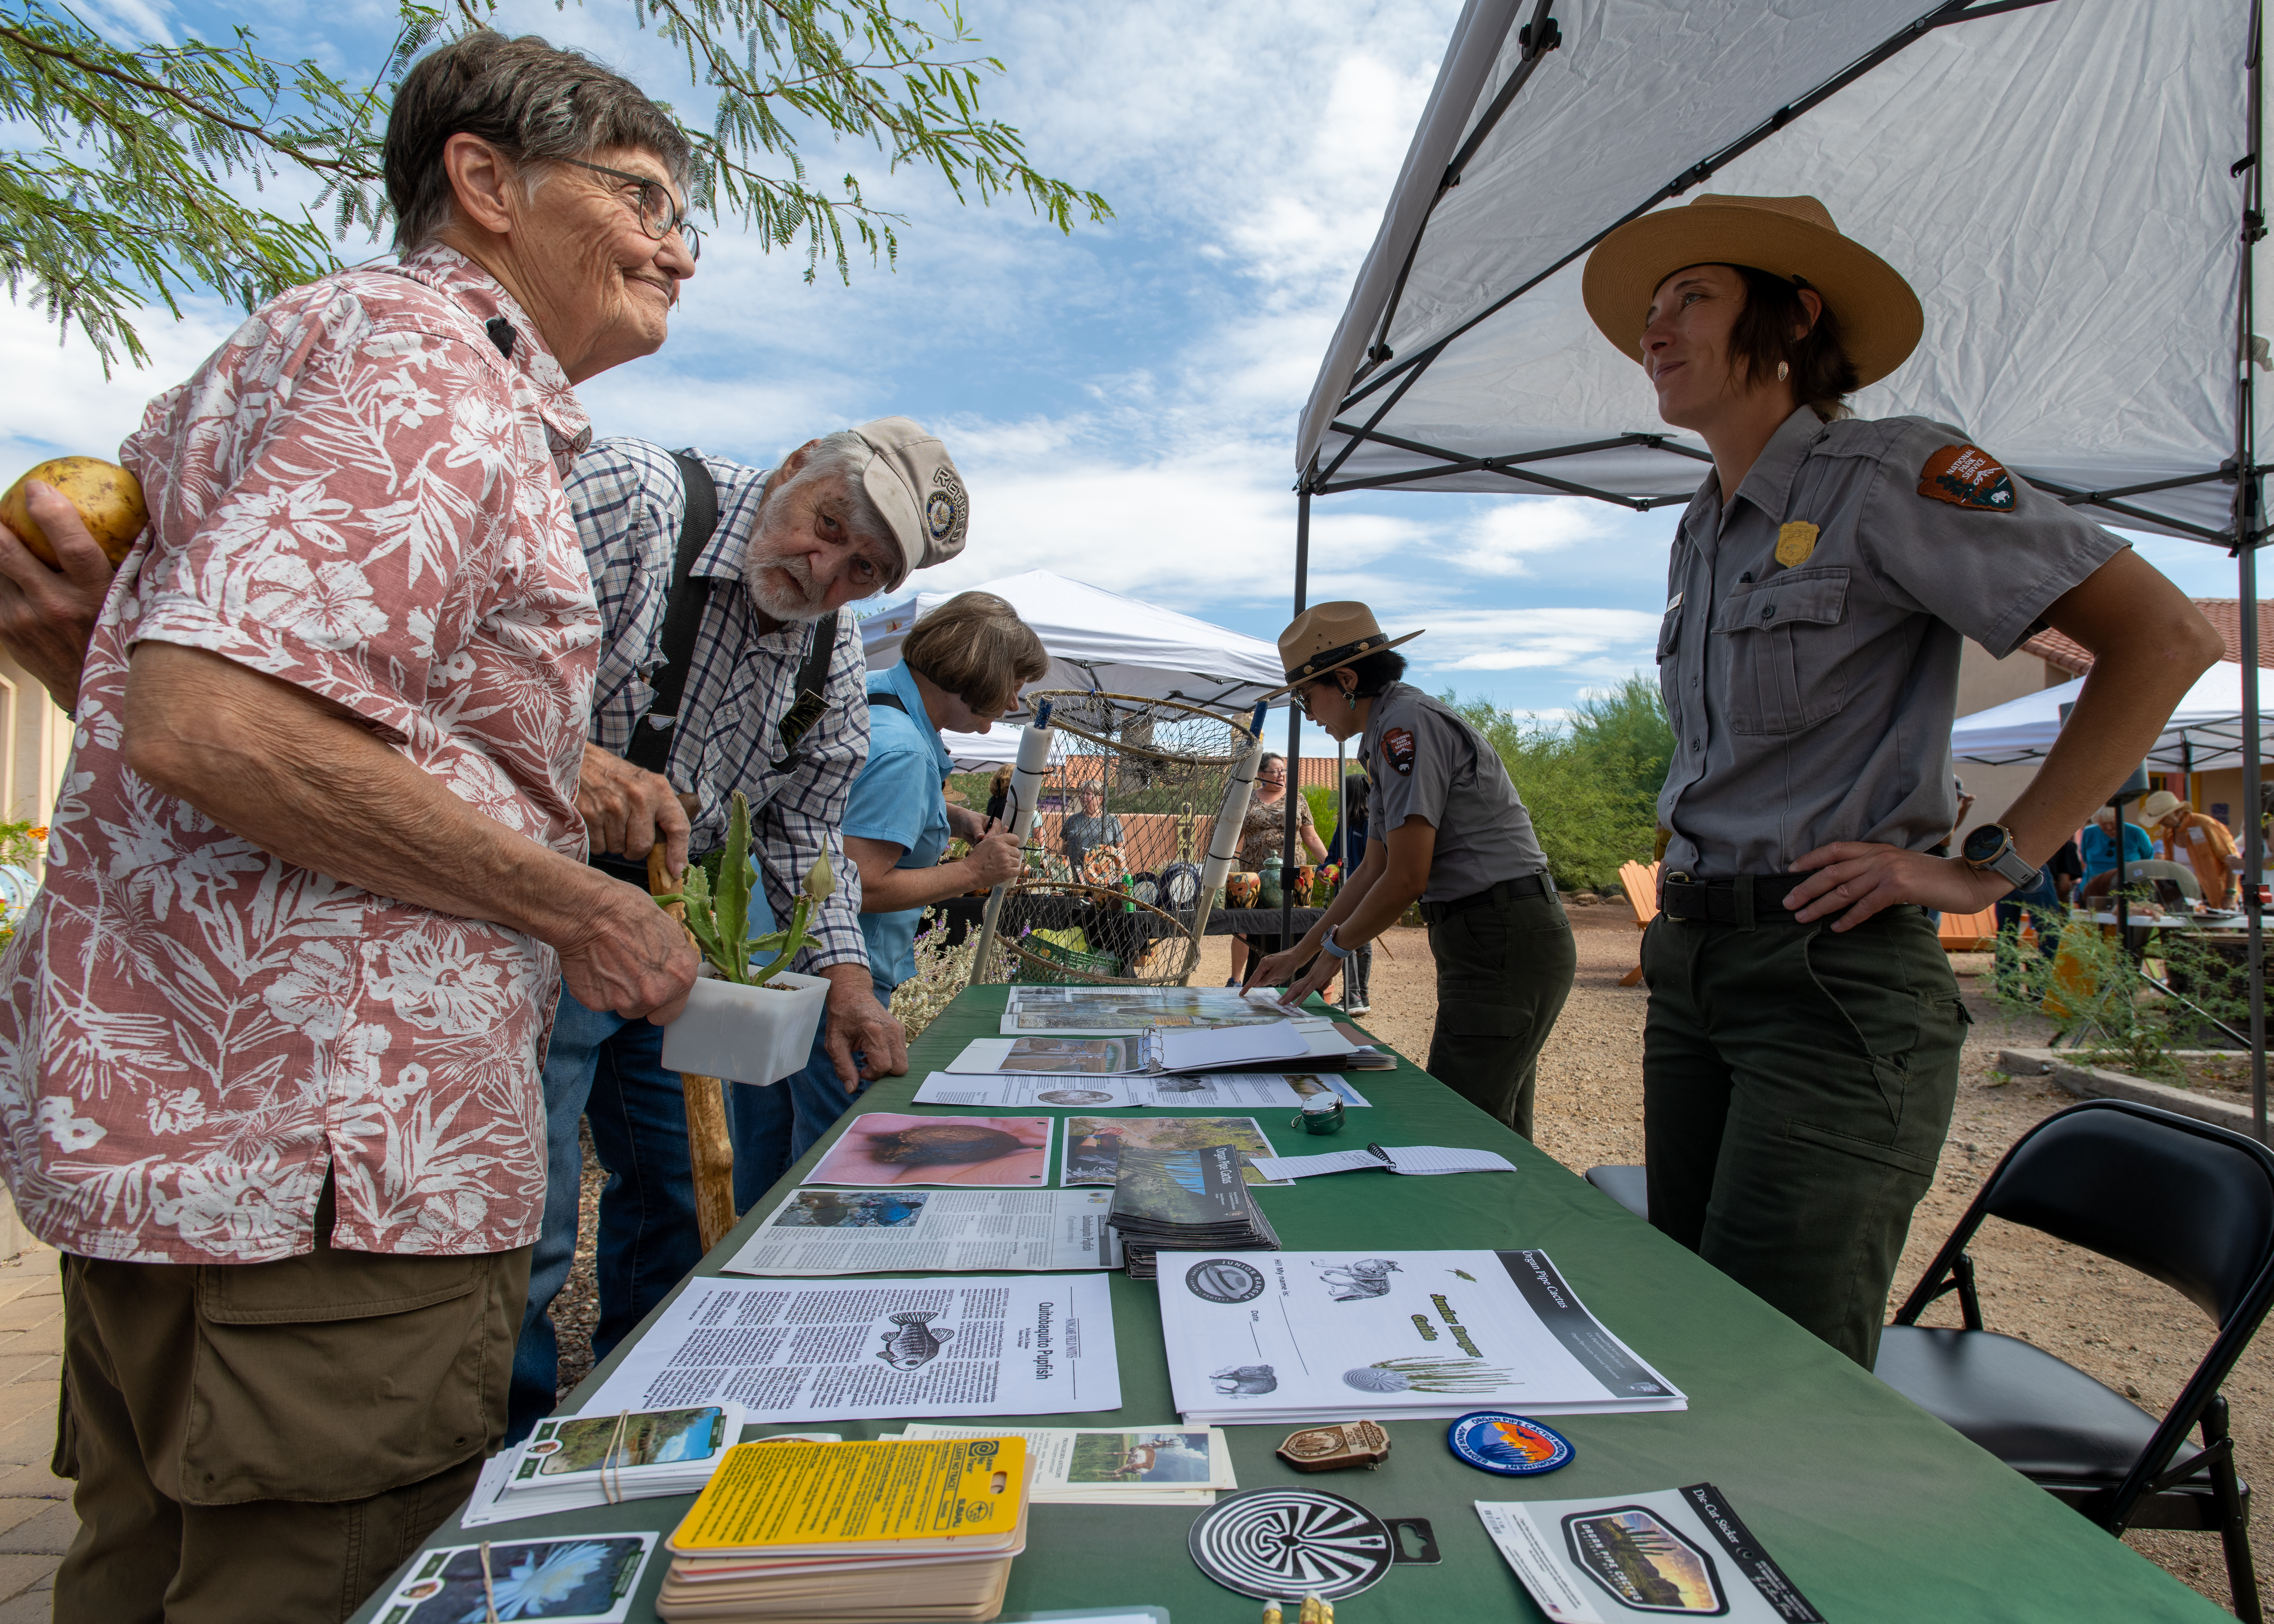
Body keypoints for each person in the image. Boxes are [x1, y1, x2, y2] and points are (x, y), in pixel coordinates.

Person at [0, 33, 704, 1619]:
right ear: (482, 179)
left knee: (135, 1569)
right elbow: (219, 723)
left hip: (186, 1142)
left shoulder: (317, 353)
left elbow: (163, 664)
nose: (675, 247)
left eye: (685, 220)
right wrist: (577, 905)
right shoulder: (425, 358)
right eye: (644, 196)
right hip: (330, 1164)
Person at [1576, 192, 2220, 1366]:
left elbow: (2167, 638)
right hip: (1696, 963)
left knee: (1777, 1368)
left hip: (1829, 978)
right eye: (1650, 312)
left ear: (1791, 317)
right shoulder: (1699, 528)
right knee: (1686, 1335)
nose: (1654, 332)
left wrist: (1990, 868)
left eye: (1692, 299)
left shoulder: (1893, 470)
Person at [512, 415, 966, 1437]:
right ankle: (496, 1470)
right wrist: (568, 762)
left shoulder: (830, 647)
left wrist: (848, 986)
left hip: (672, 935)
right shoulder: (630, 499)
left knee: (678, 1187)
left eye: (863, 569)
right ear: (799, 463)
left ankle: (640, 1425)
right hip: (523, 917)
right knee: (527, 1227)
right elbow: (441, 659)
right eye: (829, 526)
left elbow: (808, 832)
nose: (826, 571)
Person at [1246, 605, 1578, 1139]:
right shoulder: (1385, 735)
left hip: (1502, 933)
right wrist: (1301, 952)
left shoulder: (1405, 728)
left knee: (1458, 1132)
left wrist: (1332, 956)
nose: (1308, 714)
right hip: (1491, 934)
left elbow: (1406, 879)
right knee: (1493, 1127)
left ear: (1348, 680)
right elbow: (1372, 868)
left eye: (1309, 696)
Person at [843, 592, 1046, 1010]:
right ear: (980, 672)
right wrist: (974, 871)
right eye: (1014, 686)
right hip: (842, 982)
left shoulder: (872, 694)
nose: (1012, 703)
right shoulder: (907, 753)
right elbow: (858, 885)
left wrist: (953, 818)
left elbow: (851, 810)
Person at [1228, 752, 1328, 987]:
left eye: (1284, 770)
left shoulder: (1298, 799)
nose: (1282, 774)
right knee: (1245, 925)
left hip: (1292, 874)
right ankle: (1235, 979)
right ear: (1261, 775)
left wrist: (1329, 864)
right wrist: (1224, 867)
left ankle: (1293, 979)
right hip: (1253, 875)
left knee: (1292, 922)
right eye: (1276, 771)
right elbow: (1234, 837)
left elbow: (1311, 838)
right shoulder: (1247, 799)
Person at [2142, 788, 2239, 906]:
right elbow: (2170, 867)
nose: (2160, 823)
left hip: (2216, 896)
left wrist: (2230, 895)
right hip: (2185, 898)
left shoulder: (2206, 825)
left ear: (2177, 812)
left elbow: (2233, 861)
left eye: (2163, 818)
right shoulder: (2168, 832)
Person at [1328, 772, 1374, 1014]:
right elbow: (1332, 857)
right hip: (1345, 891)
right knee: (1359, 941)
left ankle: (1357, 995)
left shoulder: (1369, 824)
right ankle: (1358, 996)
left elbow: (1373, 862)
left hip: (1361, 893)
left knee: (1349, 941)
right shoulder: (1344, 825)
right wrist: (1329, 871)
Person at [2079, 803, 2153, 887]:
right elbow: (2084, 859)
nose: (2109, 828)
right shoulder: (2088, 833)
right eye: (2103, 824)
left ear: (2120, 819)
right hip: (2094, 884)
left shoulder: (2137, 833)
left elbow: (2148, 859)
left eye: (2112, 823)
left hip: (2129, 882)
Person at [1059, 782, 1124, 875]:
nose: (1083, 797)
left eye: (1088, 794)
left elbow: (1122, 848)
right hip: (1074, 876)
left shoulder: (1112, 821)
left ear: (1100, 799)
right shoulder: (1072, 820)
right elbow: (1064, 849)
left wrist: (1107, 852)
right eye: (1082, 793)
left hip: (1102, 876)